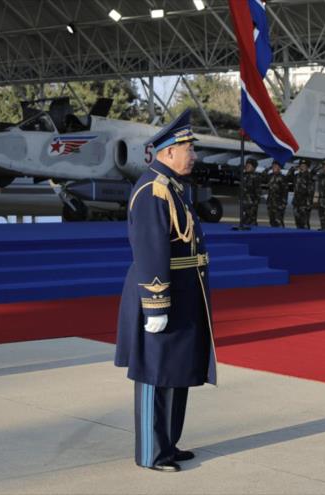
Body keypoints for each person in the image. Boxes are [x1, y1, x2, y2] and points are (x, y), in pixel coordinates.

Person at [115, 109, 217, 473]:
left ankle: (169, 444)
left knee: (176, 371)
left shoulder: (174, 187)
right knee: (155, 374)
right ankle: (151, 452)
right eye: (188, 148)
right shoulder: (153, 190)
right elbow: (149, 248)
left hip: (184, 292)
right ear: (168, 151)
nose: (193, 155)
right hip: (160, 292)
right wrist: (155, 303)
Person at [292, 159, 315, 229]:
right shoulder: (297, 176)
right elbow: (287, 177)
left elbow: (311, 192)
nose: (302, 167)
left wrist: (308, 205)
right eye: (301, 166)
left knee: (304, 224)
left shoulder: (309, 176)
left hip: (304, 205)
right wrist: (293, 169)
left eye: (304, 166)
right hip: (296, 203)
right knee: (297, 223)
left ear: (307, 167)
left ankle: (306, 239)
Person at [239, 158, 262, 227]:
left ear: (254, 167)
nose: (247, 166)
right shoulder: (244, 176)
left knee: (251, 221)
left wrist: (255, 203)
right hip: (244, 202)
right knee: (243, 221)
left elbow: (258, 191)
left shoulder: (256, 177)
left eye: (249, 165)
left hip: (251, 204)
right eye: (247, 164)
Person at [265, 161, 288, 227]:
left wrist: (283, 204)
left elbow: (285, 192)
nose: (274, 167)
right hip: (270, 203)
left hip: (279, 204)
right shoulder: (270, 176)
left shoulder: (283, 178)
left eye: (275, 166)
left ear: (279, 168)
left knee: (279, 222)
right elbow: (262, 176)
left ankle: (281, 236)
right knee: (272, 221)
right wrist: (268, 168)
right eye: (273, 166)